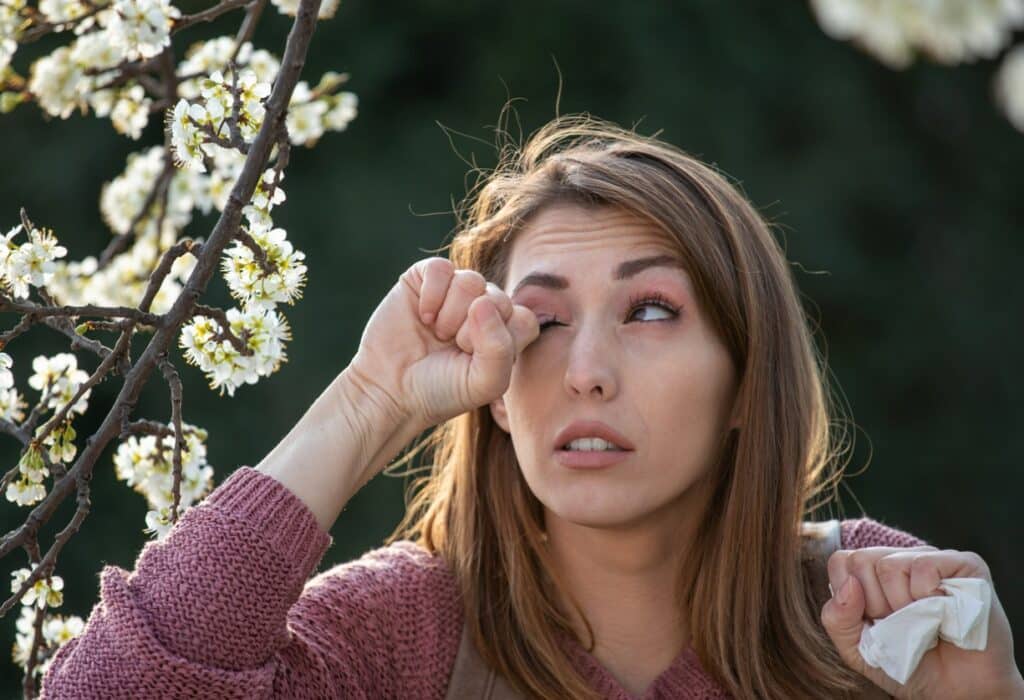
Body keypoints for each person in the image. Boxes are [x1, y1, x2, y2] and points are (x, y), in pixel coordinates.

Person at [40, 116, 1022, 699]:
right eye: (541, 322)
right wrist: (368, 400)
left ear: (743, 381)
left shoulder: (862, 607)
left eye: (649, 310)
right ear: (496, 391)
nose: (585, 370)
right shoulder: (406, 635)